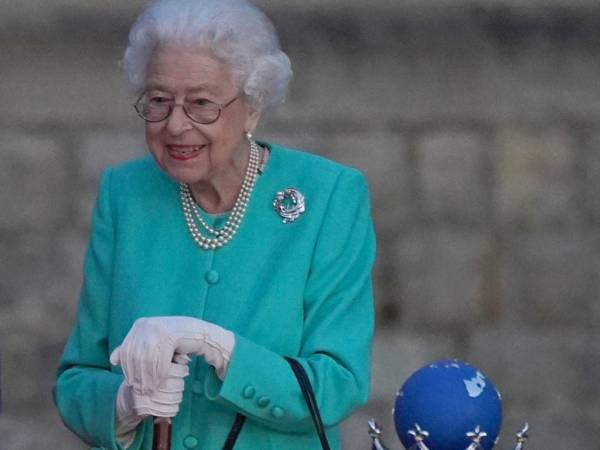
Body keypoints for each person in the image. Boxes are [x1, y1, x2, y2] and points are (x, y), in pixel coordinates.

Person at [54, 0, 375, 449]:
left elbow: (338, 385)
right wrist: (124, 404)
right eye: (159, 101)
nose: (176, 125)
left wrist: (224, 350)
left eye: (201, 103)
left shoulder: (328, 196)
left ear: (253, 106)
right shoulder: (124, 195)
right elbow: (76, 380)